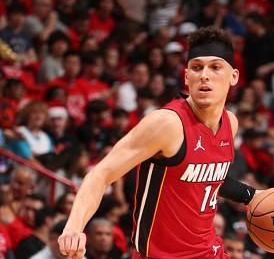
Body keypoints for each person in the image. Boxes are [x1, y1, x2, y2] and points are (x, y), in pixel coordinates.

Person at [58, 27, 261, 258]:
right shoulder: (167, 123)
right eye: (196, 67)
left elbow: (205, 176)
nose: (204, 75)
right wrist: (73, 228)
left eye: (215, 67)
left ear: (233, 76)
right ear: (186, 77)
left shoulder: (230, 123)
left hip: (210, 252)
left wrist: (253, 196)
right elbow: (101, 174)